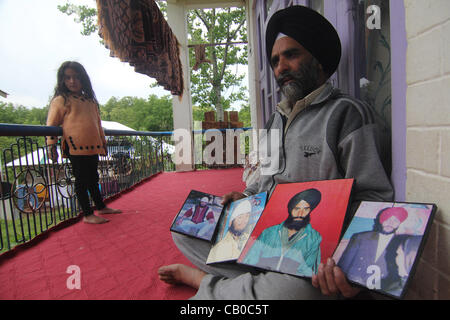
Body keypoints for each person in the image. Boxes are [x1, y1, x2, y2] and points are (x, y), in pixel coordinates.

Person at [158, 5, 394, 299]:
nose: (280, 68)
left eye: (291, 55)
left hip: (311, 253)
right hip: (263, 235)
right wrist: (244, 198)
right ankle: (257, 278)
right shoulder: (275, 120)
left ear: (318, 59)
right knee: (186, 229)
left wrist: (339, 259)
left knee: (292, 292)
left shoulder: (348, 115)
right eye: (274, 60)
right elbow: (262, 182)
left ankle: (206, 284)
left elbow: (374, 199)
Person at [46, 61, 122, 224]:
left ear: (83, 79)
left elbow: (98, 124)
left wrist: (103, 143)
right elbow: (51, 125)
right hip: (75, 147)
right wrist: (51, 146)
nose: (72, 81)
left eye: (76, 77)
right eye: (68, 78)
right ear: (62, 80)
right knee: (81, 180)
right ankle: (87, 214)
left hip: (92, 146)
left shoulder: (90, 101)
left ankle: (100, 206)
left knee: (94, 177)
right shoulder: (61, 100)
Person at [242, 189, 322, 277]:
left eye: (306, 209)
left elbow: (309, 271)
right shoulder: (269, 232)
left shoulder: (314, 238)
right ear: (290, 209)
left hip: (291, 282)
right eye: (296, 208)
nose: (300, 214)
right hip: (259, 277)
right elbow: (250, 260)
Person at [337, 207, 409, 290]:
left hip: (380, 289)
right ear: (381, 220)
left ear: (399, 224)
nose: (390, 223)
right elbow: (344, 264)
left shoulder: (402, 243)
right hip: (352, 283)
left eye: (395, 220)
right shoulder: (360, 237)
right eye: (387, 219)